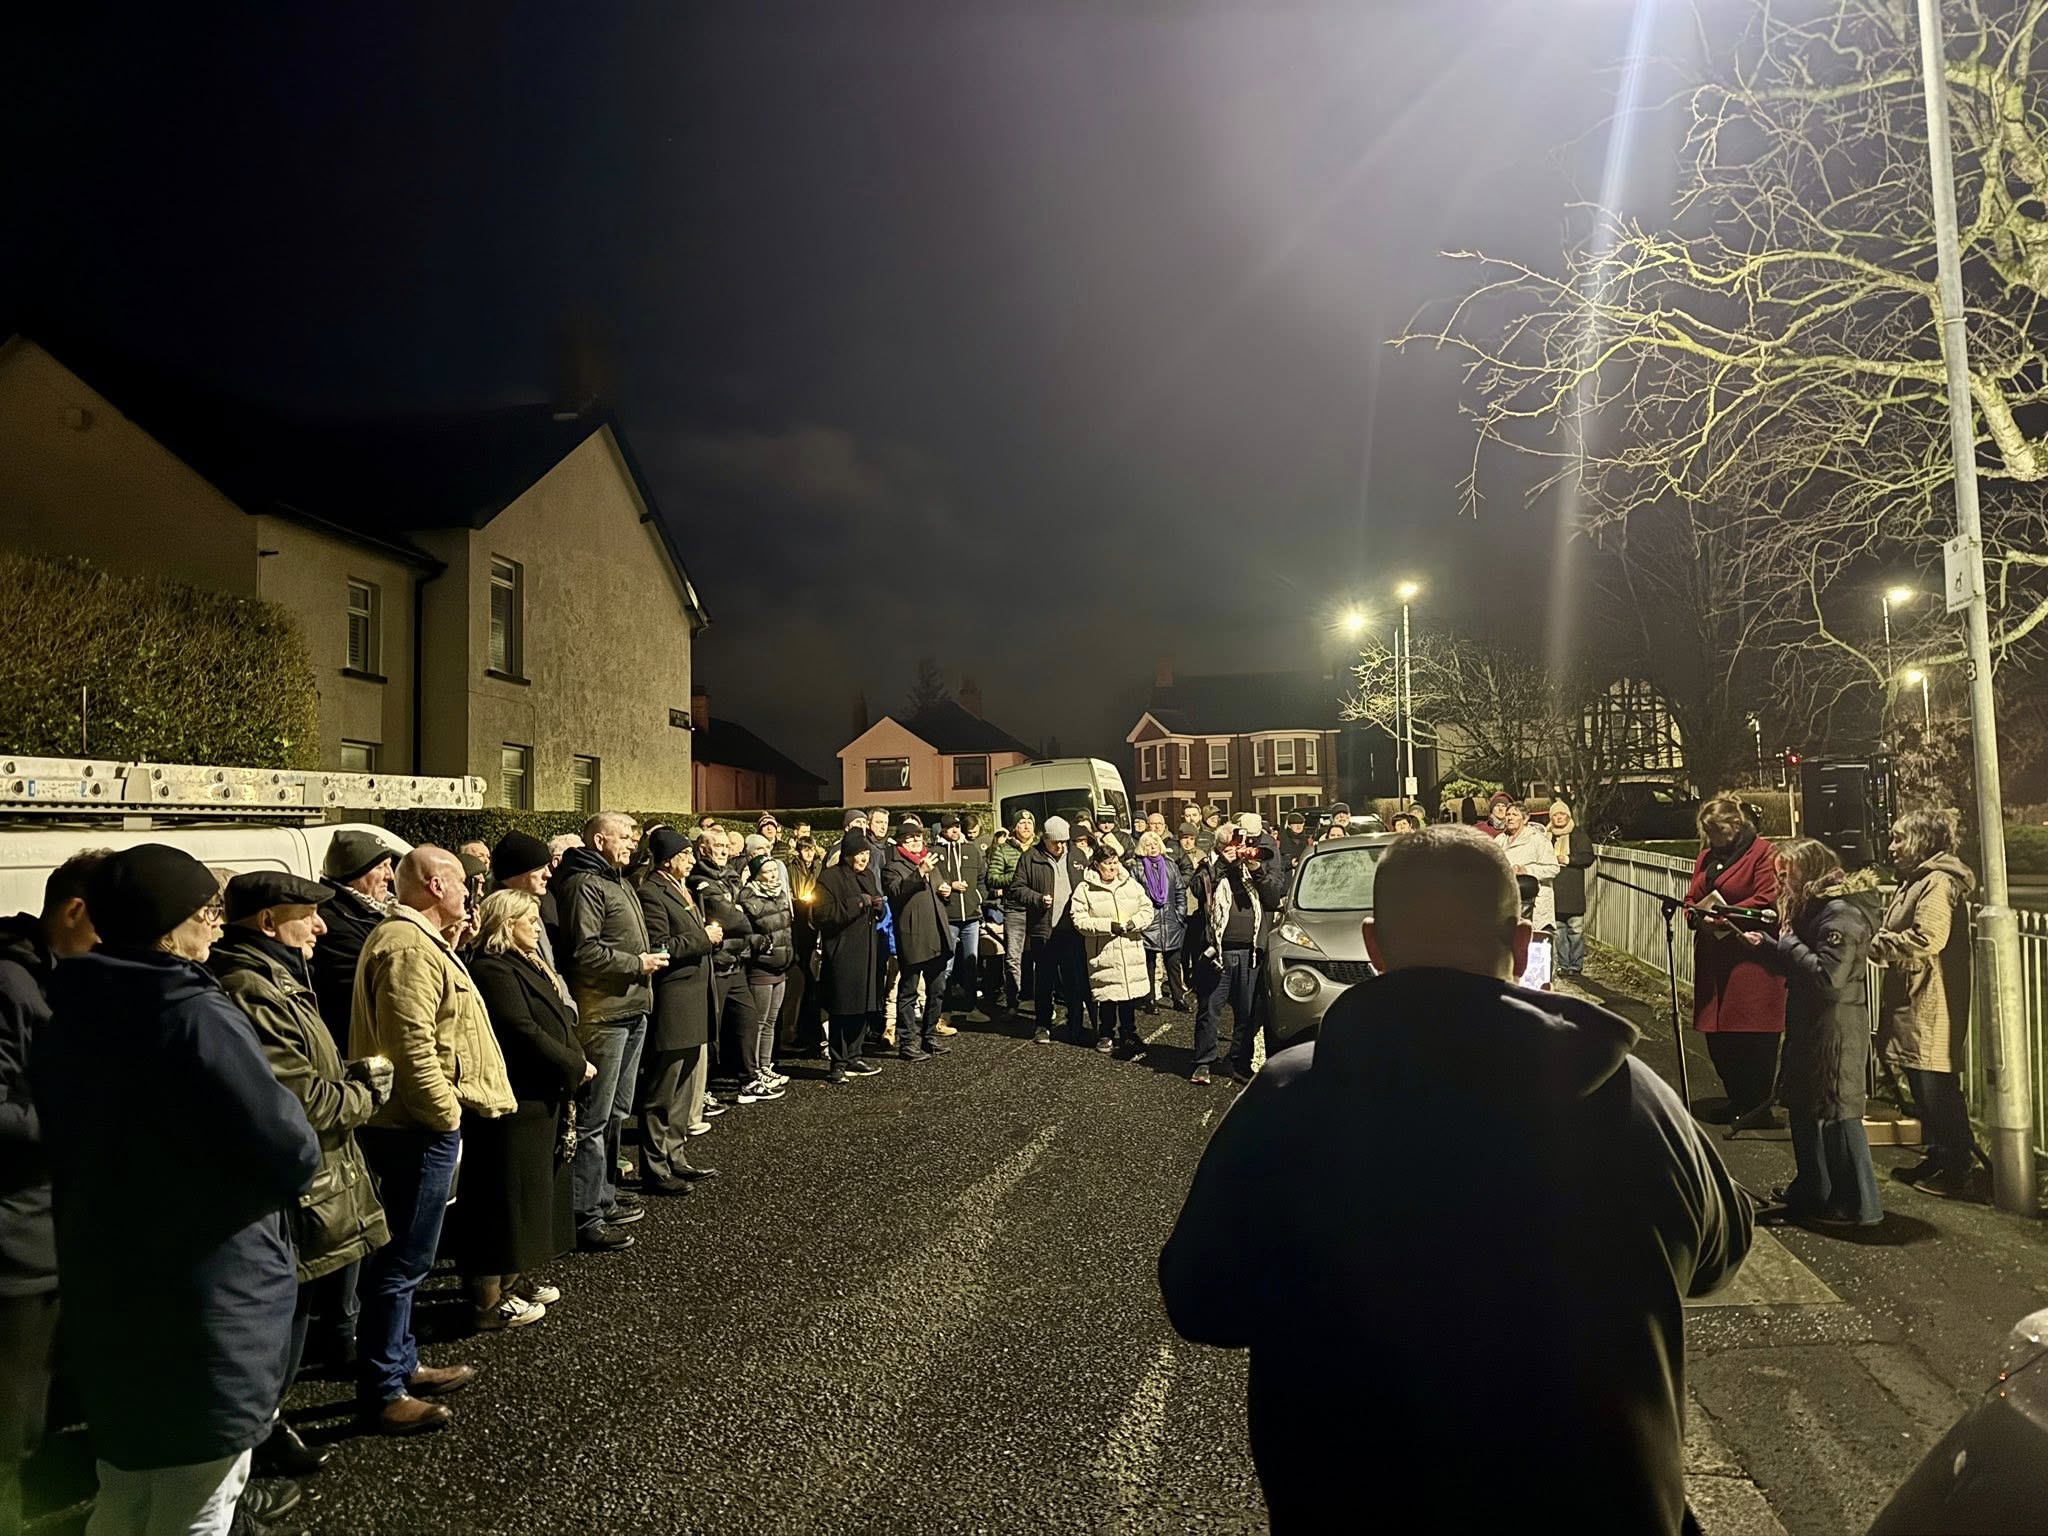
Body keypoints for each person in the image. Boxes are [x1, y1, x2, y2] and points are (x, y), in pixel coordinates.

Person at [1158, 826, 1753, 1533]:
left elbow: (1201, 1300)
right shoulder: (1634, 1096)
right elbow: (1720, 1255)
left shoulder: (1292, 1098)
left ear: (1375, 945)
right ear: (1523, 942)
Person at [36, 846, 321, 1531]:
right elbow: (286, 1144)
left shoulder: (67, 1002)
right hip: (209, 1285)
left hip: (110, 1278)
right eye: (206, 912)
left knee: (128, 1485)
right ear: (168, 928)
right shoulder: (191, 1011)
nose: (218, 926)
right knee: (202, 1496)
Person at [209, 871, 392, 1477]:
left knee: (296, 1311)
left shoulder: (276, 976)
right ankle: (253, 1444)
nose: (321, 925)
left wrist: (345, 1078)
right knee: (281, 1320)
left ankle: (263, 1429)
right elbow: (304, 1103)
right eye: (306, 914)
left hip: (316, 1181)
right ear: (267, 922)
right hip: (299, 1186)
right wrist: (363, 1094)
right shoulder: (250, 987)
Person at [349, 847, 515, 1433]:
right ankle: (384, 1388)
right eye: (465, 883)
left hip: (417, 1126)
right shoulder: (406, 947)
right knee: (401, 1262)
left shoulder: (418, 942)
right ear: (436, 882)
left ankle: (401, 1362)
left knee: (408, 1261)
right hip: (415, 1129)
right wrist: (445, 1117)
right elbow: (411, 1046)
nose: (473, 892)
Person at [0, 850, 104, 1535]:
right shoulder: (9, 983)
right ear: (72, 911)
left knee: (46, 1400)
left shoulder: (52, 974)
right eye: (107, 927)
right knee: (11, 1421)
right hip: (16, 1238)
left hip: (52, 1224)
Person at [1739, 838, 1884, 1228]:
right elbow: (1803, 963)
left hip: (1833, 1027)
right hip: (1812, 1024)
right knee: (1805, 1107)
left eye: (1788, 873)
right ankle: (1815, 1190)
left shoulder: (1839, 914)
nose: (1781, 880)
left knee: (1837, 1111)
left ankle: (1856, 1205)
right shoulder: (1816, 911)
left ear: (1810, 872)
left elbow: (1828, 977)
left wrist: (1786, 944)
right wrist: (1770, 947)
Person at [461, 890, 588, 1323]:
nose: (537, 927)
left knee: (533, 1191)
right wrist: (573, 1062)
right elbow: (520, 1028)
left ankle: (514, 1277)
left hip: (543, 1092)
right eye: (528, 920)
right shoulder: (493, 969)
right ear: (505, 924)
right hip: (520, 1093)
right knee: (508, 1196)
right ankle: (489, 1297)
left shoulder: (524, 962)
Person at [554, 814, 667, 1247]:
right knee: (594, 1118)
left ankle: (604, 1196)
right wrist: (636, 964)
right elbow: (584, 951)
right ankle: (584, 1213)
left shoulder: (614, 878)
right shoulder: (586, 884)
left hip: (632, 1008)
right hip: (605, 1014)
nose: (632, 842)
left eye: (634, 835)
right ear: (599, 839)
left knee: (617, 1112)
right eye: (624, 835)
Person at [1871, 810, 1982, 1200]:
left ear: (1921, 840)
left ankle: (1956, 1168)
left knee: (1937, 1086)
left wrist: (1880, 944)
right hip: (1915, 998)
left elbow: (1928, 938)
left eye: (1899, 838)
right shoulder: (1917, 880)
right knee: (1923, 1082)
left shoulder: (1936, 882)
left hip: (1932, 1001)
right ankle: (1938, 1156)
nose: (1892, 847)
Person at [630, 826, 722, 1190]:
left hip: (695, 998)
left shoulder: (681, 889)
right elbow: (660, 945)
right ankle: (654, 1166)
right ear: (667, 860)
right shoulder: (652, 893)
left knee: (685, 1086)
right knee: (663, 1087)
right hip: (675, 1000)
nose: (692, 860)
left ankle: (675, 1154)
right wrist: (704, 938)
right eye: (685, 855)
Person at [1687, 798, 1786, 1131]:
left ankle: (1756, 1105)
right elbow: (1692, 895)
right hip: (1714, 956)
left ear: (1737, 825)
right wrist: (1694, 911)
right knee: (1719, 1037)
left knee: (1751, 1034)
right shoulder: (1706, 857)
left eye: (1718, 830)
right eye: (1708, 831)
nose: (1712, 837)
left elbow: (1765, 898)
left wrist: (1724, 914)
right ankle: (1736, 1098)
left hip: (1749, 958)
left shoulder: (1764, 854)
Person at [690, 830, 773, 1103]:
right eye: (717, 846)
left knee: (747, 1019)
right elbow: (731, 917)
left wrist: (742, 915)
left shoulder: (730, 876)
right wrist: (751, 918)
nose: (724, 851)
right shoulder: (701, 880)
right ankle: (702, 1091)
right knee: (711, 1030)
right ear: (703, 849)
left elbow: (742, 911)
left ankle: (748, 1080)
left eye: (726, 846)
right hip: (717, 963)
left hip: (736, 961)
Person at [1199, 826, 1284, 1086]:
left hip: (1251, 952)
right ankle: (1203, 1062)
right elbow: (1198, 888)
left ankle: (1239, 1061)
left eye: (1240, 844)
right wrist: (1225, 862)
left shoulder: (1256, 868)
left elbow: (1272, 897)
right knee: (1210, 1008)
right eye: (1229, 846)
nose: (1237, 850)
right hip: (1218, 950)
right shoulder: (1210, 865)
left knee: (1247, 1013)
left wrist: (1256, 868)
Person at [814, 828, 889, 1084]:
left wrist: (878, 908)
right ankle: (838, 1060)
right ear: (847, 855)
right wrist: (859, 902)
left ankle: (855, 1054)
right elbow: (822, 914)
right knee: (842, 1007)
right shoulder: (829, 878)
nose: (863, 858)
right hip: (843, 952)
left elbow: (874, 904)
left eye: (866, 853)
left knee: (863, 1004)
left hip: (867, 950)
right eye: (859, 854)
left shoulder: (868, 875)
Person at [313, 830, 397, 1053]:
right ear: (354, 872)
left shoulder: (374, 910)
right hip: (356, 1046)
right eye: (380, 867)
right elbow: (375, 983)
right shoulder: (333, 922)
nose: (390, 875)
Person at [1013, 816, 1090, 1046]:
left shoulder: (1077, 855)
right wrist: (1037, 899)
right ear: (1044, 839)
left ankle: (1075, 1025)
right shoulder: (1030, 858)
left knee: (1073, 980)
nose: (1061, 846)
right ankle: (1043, 1025)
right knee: (1044, 981)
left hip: (1072, 930)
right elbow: (1017, 889)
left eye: (1064, 841)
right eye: (1055, 842)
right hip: (1043, 929)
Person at [1070, 844, 1154, 1053]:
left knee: (1128, 995)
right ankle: (1106, 1033)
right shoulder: (1085, 889)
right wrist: (1107, 926)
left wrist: (1135, 922)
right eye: (1108, 864)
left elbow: (1147, 908)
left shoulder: (1131, 884)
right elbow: (1078, 919)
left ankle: (1129, 1032)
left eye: (1116, 863)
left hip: (1129, 948)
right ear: (1097, 865)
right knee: (1108, 995)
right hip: (1104, 950)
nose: (1113, 868)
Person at [882, 817, 952, 1062]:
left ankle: (930, 1036)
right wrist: (919, 872)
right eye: (909, 838)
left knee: (937, 989)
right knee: (908, 991)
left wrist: (945, 890)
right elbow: (895, 893)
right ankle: (907, 1042)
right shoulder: (893, 865)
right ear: (900, 842)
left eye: (918, 837)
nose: (915, 842)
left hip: (937, 933)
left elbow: (939, 888)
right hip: (912, 936)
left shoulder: (931, 859)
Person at [737, 853, 796, 1093]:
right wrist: (761, 944)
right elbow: (746, 930)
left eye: (774, 870)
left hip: (781, 964)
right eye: (767, 871)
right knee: (759, 1022)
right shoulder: (748, 897)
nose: (773, 875)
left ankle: (765, 1064)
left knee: (772, 1020)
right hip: (761, 965)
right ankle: (754, 1071)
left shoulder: (780, 893)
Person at [933, 814, 985, 1025]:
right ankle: (943, 1010)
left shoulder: (971, 851)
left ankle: (971, 1006)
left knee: (971, 963)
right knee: (946, 965)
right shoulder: (936, 852)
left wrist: (978, 899)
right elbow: (933, 878)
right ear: (943, 831)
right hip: (949, 916)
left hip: (971, 916)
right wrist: (949, 885)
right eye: (950, 828)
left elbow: (982, 877)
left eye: (957, 827)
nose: (955, 831)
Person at [1133, 832, 1189, 1012]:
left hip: (1171, 920)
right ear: (1142, 847)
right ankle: (1149, 1000)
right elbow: (1133, 897)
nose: (1153, 846)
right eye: (1148, 844)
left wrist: (1180, 915)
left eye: (1155, 843)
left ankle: (1178, 998)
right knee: (1148, 964)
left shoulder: (1171, 865)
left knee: (1173, 963)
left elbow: (1180, 891)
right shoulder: (1136, 868)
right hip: (1149, 921)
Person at [985, 811, 1034, 1014]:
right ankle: (1013, 1001)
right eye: (1021, 823)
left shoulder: (1039, 849)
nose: (1026, 826)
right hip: (1014, 910)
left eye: (1029, 822)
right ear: (1014, 827)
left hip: (1037, 909)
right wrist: (1016, 878)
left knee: (1038, 957)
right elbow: (992, 878)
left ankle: (1034, 998)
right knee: (1013, 957)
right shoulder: (1003, 850)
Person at [1549, 801, 1595, 976]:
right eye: (1555, 814)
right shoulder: (1547, 836)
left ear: (1568, 816)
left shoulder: (1578, 835)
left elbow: (1588, 858)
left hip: (1573, 890)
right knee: (1559, 931)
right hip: (1555, 891)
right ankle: (1563, 963)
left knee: (1575, 930)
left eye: (1562, 814)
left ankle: (1575, 965)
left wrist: (1568, 860)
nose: (1559, 817)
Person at [1498, 800, 1559, 931]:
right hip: (1507, 905)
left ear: (1525, 819)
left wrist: (1526, 870)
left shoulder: (1537, 839)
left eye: (1514, 814)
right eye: (1508, 814)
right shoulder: (1500, 840)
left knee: (1533, 947)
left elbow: (1553, 868)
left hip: (1534, 905)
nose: (1509, 818)